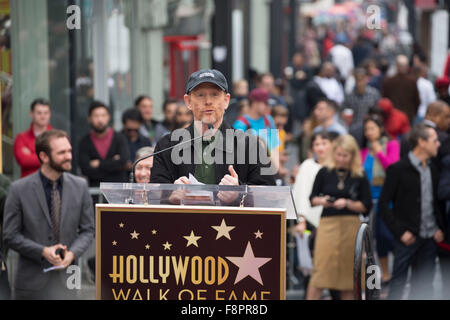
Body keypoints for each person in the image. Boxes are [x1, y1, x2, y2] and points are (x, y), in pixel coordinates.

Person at [3, 130, 95, 300]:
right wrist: (42, 251)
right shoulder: (19, 189)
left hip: (68, 280)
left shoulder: (80, 186)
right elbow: (10, 235)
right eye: (62, 152)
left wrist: (72, 253)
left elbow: (88, 230)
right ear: (44, 157)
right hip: (31, 283)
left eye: (69, 151)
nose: (68, 156)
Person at [150, 69, 276, 188]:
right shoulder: (166, 146)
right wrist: (171, 194)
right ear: (188, 102)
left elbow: (268, 195)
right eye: (200, 95)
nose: (208, 101)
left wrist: (239, 192)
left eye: (215, 95)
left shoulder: (251, 146)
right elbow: (154, 196)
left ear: (226, 100)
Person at [378, 123, 446, 300]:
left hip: (429, 238)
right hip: (407, 238)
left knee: (424, 286)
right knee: (398, 284)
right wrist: (400, 232)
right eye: (434, 140)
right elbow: (384, 205)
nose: (438, 144)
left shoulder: (433, 169)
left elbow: (436, 202)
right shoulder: (398, 169)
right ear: (421, 142)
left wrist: (439, 228)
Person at [307, 134, 372, 300]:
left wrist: (348, 203)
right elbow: (313, 199)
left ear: (352, 156)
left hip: (350, 226)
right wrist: (325, 201)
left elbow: (366, 205)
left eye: (345, 156)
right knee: (319, 274)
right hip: (328, 224)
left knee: (348, 277)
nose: (341, 159)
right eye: (338, 154)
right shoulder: (324, 172)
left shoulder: (359, 175)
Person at [360, 116, 400, 284]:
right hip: (369, 201)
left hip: (388, 201)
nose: (369, 133)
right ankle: (385, 274)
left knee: (387, 236)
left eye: (372, 129)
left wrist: (379, 153)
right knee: (376, 240)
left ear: (380, 129)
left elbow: (393, 169)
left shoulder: (391, 145)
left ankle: (400, 269)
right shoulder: (363, 151)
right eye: (366, 129)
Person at [78, 101, 129, 187]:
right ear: (89, 118)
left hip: (118, 192)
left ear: (109, 117)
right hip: (95, 192)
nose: (100, 120)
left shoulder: (119, 138)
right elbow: (85, 169)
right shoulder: (84, 142)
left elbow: (123, 161)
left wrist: (99, 164)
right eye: (96, 116)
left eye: (103, 115)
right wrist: (113, 163)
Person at [233, 88, 280, 170]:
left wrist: (277, 169)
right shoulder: (240, 125)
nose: (268, 107)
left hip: (271, 169)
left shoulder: (268, 120)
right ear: (255, 103)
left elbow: (275, 146)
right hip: (253, 170)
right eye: (265, 103)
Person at [13, 98, 52, 177]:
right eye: (39, 113)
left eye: (46, 113)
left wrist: (31, 154)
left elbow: (60, 159)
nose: (43, 116)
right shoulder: (21, 138)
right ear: (31, 114)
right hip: (28, 186)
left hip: (51, 184)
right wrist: (49, 156)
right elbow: (23, 161)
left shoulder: (57, 138)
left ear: (50, 114)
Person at [382, 55, 421, 123]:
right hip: (408, 116)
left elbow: (384, 99)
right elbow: (417, 101)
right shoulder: (412, 81)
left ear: (396, 66)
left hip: (393, 117)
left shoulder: (388, 81)